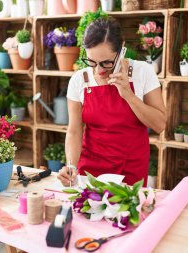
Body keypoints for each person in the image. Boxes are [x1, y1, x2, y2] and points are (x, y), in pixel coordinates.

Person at [57, 18, 166, 186]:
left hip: (131, 170)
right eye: (91, 62)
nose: (99, 70)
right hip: (91, 170)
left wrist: (128, 95)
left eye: (106, 62)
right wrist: (70, 165)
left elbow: (159, 124)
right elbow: (74, 131)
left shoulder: (143, 72)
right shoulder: (80, 80)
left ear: (122, 50)